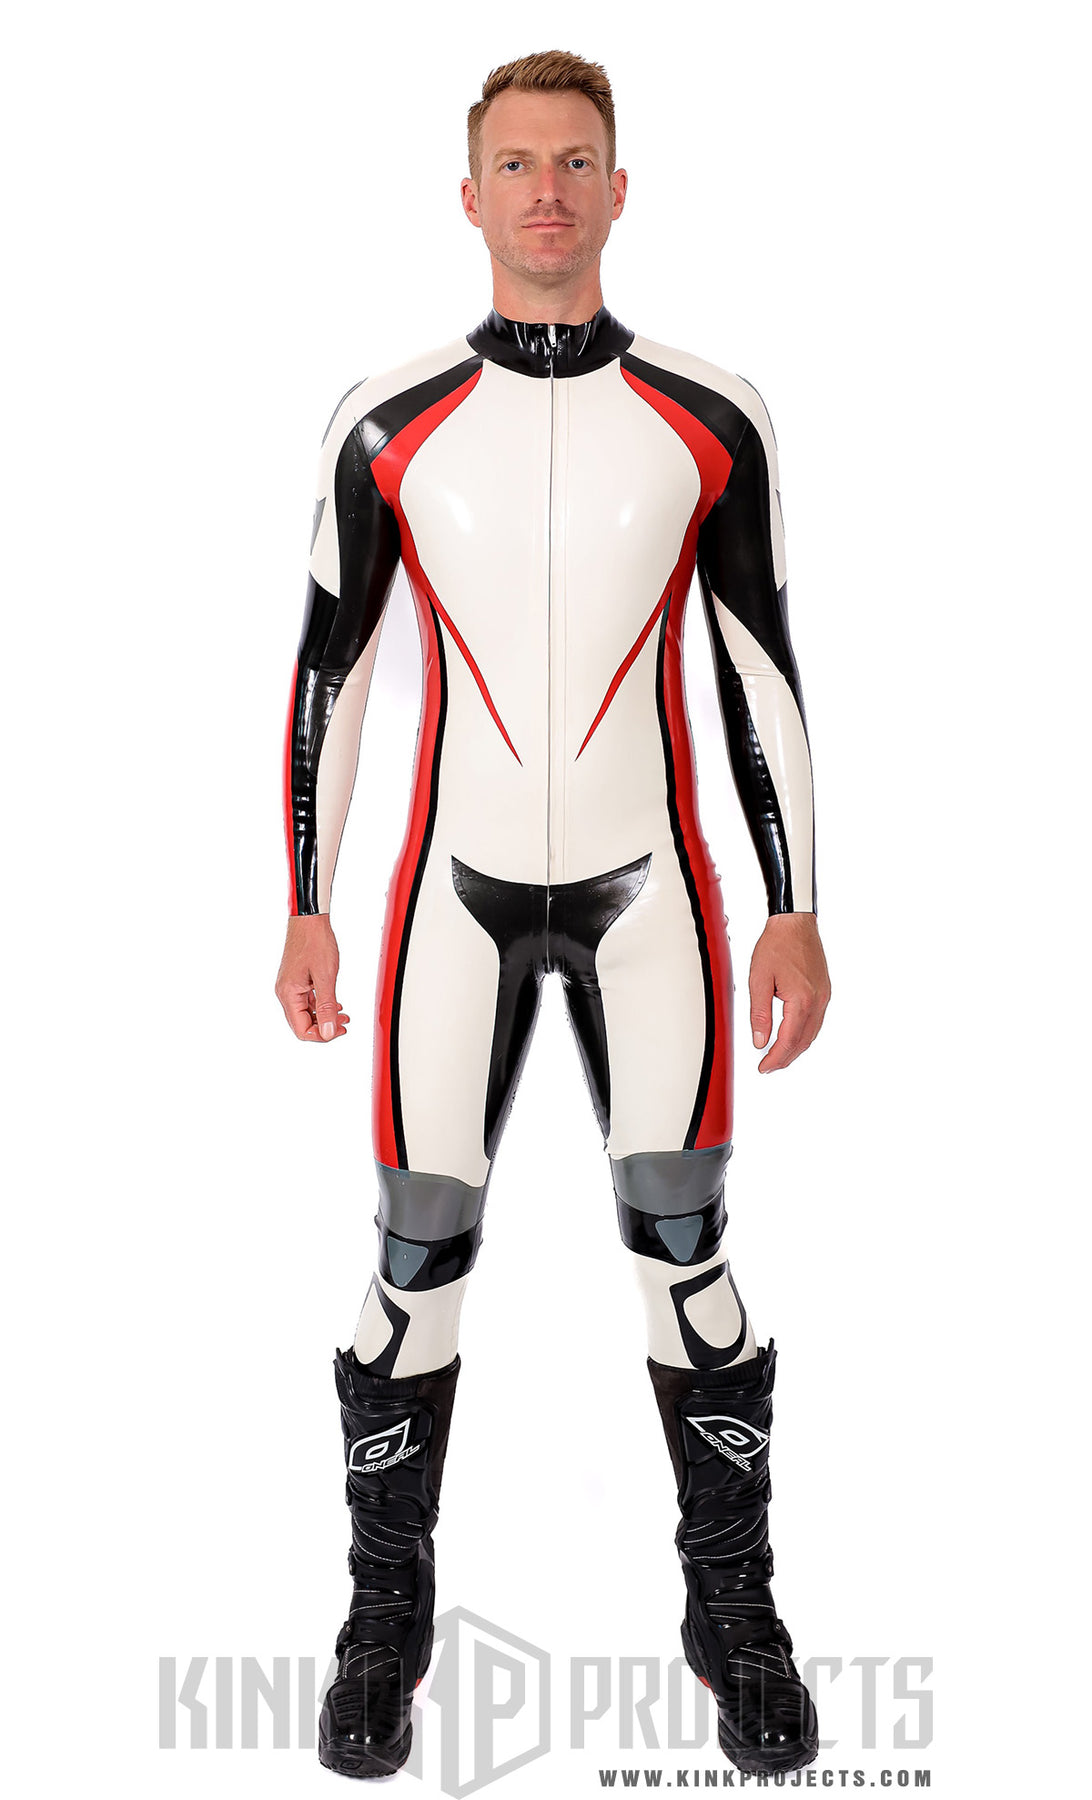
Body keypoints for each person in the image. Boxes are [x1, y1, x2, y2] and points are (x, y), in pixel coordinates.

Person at [275, 48, 831, 1781]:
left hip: (654, 895)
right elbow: (329, 671)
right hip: (449, 901)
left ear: (617, 188)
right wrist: (305, 901)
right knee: (416, 1252)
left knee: (686, 1245)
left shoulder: (712, 416)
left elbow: (762, 671)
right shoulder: (386, 421)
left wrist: (798, 906)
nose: (545, 189)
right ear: (469, 195)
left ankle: (731, 1610)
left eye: (575, 161)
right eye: (515, 163)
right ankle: (384, 1619)